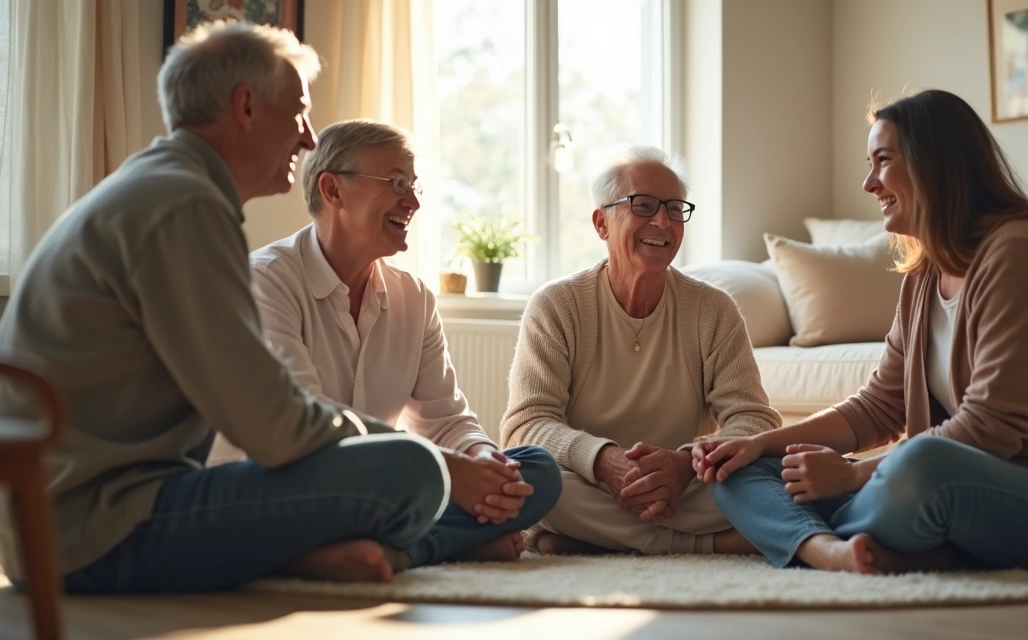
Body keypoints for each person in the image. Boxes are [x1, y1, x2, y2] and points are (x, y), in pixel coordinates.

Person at [0, 22, 469, 593]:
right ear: (246, 106)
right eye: (298, 113)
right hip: (92, 530)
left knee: (440, 468)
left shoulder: (164, 186)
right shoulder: (184, 206)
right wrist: (428, 458)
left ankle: (321, 553)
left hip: (77, 517)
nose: (306, 137)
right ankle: (323, 554)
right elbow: (272, 426)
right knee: (413, 471)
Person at [699, 89, 1028, 574]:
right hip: (947, 491)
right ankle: (832, 549)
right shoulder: (924, 275)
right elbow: (879, 405)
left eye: (882, 161)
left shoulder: (1020, 254)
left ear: (935, 164)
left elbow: (991, 428)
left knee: (921, 465)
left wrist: (851, 476)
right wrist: (763, 444)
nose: (869, 183)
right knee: (739, 471)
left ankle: (794, 532)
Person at [243, 118, 561, 565]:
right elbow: (306, 428)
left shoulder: (414, 296)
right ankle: (436, 542)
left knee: (537, 470)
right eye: (395, 182)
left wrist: (485, 462)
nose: (412, 201)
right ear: (333, 190)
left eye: (413, 185)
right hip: (298, 483)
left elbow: (446, 419)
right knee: (414, 466)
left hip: (387, 486)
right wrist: (447, 469)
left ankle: (397, 550)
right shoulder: (265, 282)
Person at [500, 145, 781, 556]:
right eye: (643, 205)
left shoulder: (713, 309)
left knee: (768, 473)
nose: (663, 222)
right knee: (529, 478)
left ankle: (592, 541)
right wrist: (603, 461)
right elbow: (527, 424)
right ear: (601, 223)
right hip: (588, 481)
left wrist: (686, 464)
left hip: (683, 486)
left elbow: (754, 419)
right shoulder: (556, 304)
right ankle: (709, 545)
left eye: (674, 208)